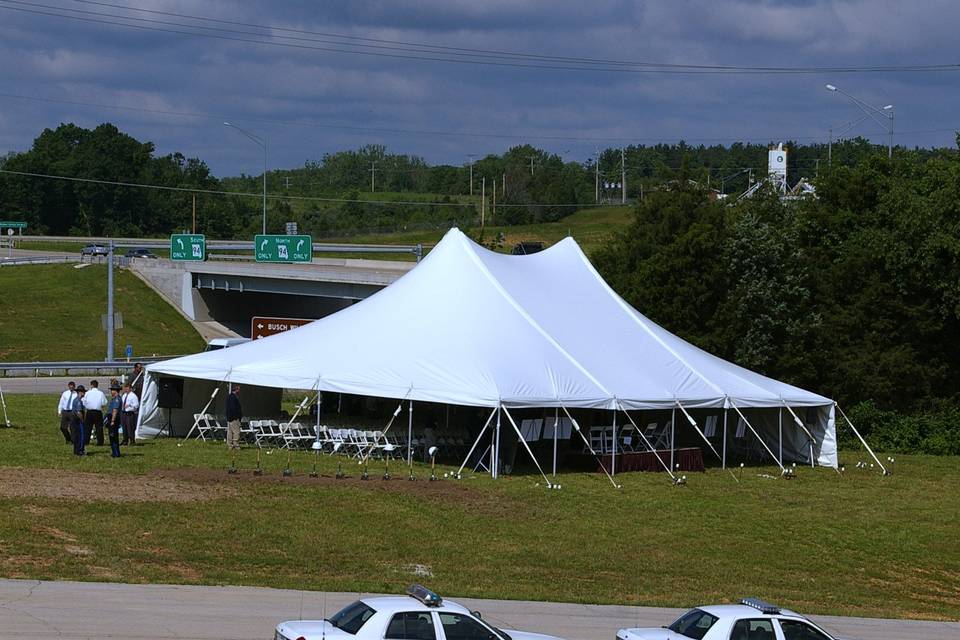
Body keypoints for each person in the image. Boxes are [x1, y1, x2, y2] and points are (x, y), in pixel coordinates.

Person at [83, 379, 106, 446]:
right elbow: (104, 403)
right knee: (99, 428)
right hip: (98, 412)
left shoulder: (87, 393)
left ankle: (86, 441)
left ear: (91, 385)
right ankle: (100, 442)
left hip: (89, 412)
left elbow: (84, 402)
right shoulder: (101, 393)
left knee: (88, 428)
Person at [106, 383, 123, 458]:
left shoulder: (117, 399)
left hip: (114, 418)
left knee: (113, 436)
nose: (111, 391)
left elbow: (115, 410)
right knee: (112, 436)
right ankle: (115, 452)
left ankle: (116, 453)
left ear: (116, 391)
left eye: (112, 390)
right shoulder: (114, 398)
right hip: (111, 417)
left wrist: (112, 420)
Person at [70, 385, 87, 456]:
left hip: (75, 420)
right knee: (81, 436)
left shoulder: (75, 400)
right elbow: (79, 412)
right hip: (78, 421)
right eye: (83, 392)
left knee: (77, 436)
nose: (84, 393)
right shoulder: (78, 401)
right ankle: (80, 450)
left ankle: (77, 450)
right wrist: (82, 420)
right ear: (80, 392)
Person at [225, 385, 242, 450]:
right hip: (234, 418)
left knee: (230, 432)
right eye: (239, 390)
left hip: (230, 417)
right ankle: (236, 445)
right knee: (236, 432)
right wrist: (236, 417)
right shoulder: (233, 397)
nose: (239, 391)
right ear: (236, 390)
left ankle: (230, 445)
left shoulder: (230, 396)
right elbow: (233, 408)